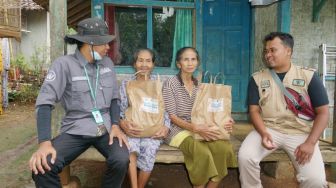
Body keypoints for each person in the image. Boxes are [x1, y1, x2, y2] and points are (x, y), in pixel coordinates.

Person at [28, 18, 129, 188]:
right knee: (43, 167)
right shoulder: (64, 65)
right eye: (103, 43)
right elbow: (44, 104)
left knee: (121, 159)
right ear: (89, 44)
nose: (108, 47)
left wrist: (115, 125)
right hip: (76, 128)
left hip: (105, 128)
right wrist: (44, 143)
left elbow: (114, 98)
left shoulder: (108, 64)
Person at [238, 32, 329, 188]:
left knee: (315, 181)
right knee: (246, 157)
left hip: (301, 132)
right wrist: (263, 132)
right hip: (269, 129)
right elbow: (254, 111)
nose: (268, 54)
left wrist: (310, 142)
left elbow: (323, 112)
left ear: (288, 51)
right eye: (266, 51)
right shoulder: (257, 79)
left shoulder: (309, 76)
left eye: (273, 50)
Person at [162, 47, 237, 188]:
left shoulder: (200, 85)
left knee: (224, 148)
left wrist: (226, 119)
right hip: (177, 129)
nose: (190, 63)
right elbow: (172, 116)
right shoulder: (170, 84)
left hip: (200, 126)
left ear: (197, 62)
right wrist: (195, 128)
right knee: (201, 151)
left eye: (193, 59)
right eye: (186, 59)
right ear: (179, 64)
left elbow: (210, 109)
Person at [119, 48, 171, 188]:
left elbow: (166, 109)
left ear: (153, 64)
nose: (144, 64)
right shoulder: (127, 83)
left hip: (154, 128)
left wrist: (166, 127)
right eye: (140, 60)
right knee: (131, 149)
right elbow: (122, 108)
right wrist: (123, 123)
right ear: (134, 63)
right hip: (133, 127)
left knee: (150, 149)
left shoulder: (160, 83)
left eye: (148, 61)